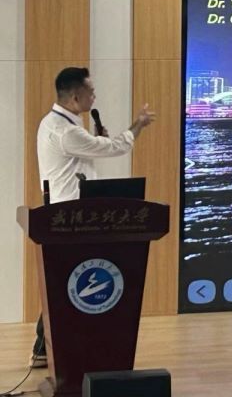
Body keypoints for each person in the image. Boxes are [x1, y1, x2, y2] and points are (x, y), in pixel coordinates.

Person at [31, 67, 156, 368]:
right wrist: (138, 125)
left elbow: (84, 156)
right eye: (91, 91)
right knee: (63, 283)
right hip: (70, 217)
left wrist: (94, 141)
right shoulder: (67, 131)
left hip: (70, 215)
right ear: (75, 96)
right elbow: (114, 148)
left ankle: (45, 348)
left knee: (61, 281)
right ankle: (46, 347)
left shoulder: (58, 124)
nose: (94, 96)